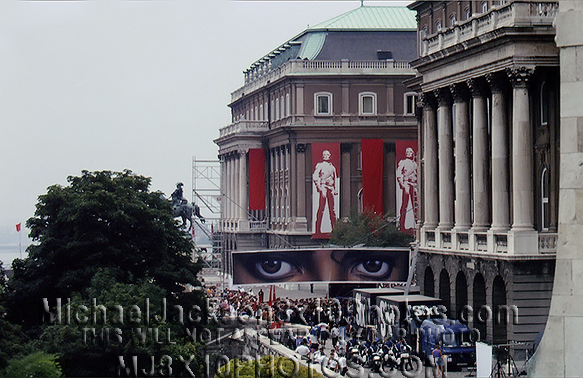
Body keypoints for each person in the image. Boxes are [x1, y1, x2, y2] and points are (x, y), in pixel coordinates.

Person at [312, 150, 338, 235]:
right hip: (323, 187)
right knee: (321, 209)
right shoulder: (320, 165)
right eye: (324, 155)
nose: (325, 156)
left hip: (330, 188)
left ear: (330, 156)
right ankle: (317, 230)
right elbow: (315, 176)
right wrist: (318, 186)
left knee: (332, 210)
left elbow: (335, 179)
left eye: (327, 154)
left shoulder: (332, 167)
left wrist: (335, 189)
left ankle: (335, 230)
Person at [396, 147, 418, 231]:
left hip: (414, 184)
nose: (409, 153)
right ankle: (402, 225)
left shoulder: (415, 164)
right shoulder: (403, 162)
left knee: (415, 205)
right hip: (406, 184)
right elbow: (399, 173)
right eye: (407, 152)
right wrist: (402, 184)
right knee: (405, 204)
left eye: (411, 152)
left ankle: (417, 224)